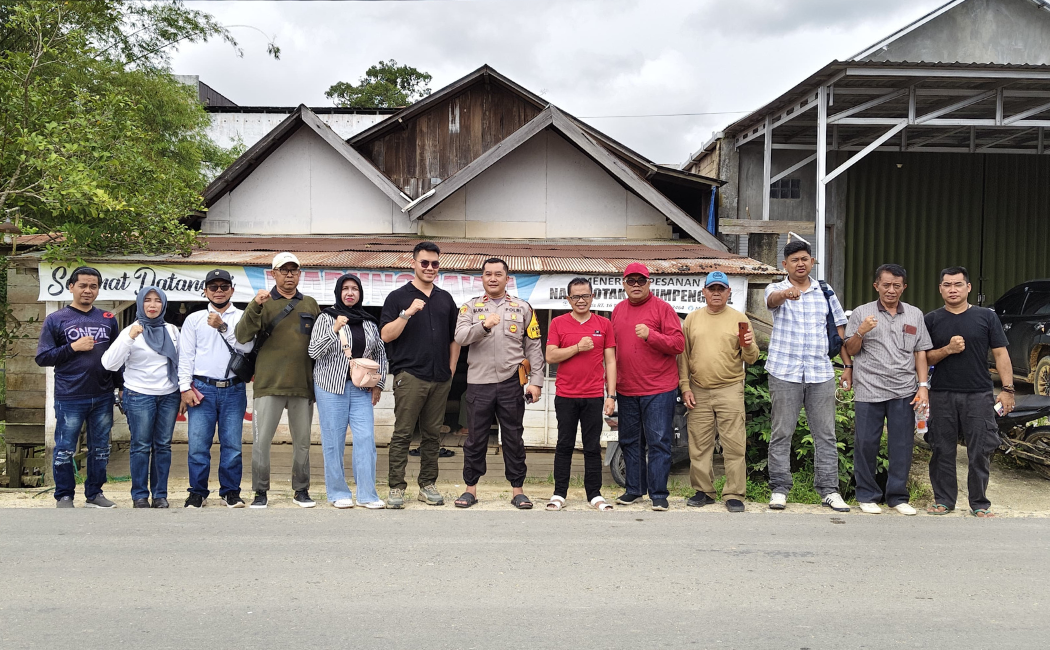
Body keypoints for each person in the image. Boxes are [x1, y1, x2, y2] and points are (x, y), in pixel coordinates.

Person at [764, 241, 852, 512]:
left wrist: (847, 366)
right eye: (794, 260)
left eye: (804, 259)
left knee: (825, 434)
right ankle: (779, 488)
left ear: (812, 261)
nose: (800, 264)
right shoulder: (776, 288)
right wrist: (786, 295)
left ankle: (829, 490)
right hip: (784, 371)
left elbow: (839, 330)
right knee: (782, 432)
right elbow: (771, 301)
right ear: (785, 265)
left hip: (820, 372)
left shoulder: (825, 291)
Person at [453, 258, 545, 509]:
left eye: (498, 274)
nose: (492, 278)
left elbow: (534, 346)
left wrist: (536, 381)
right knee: (475, 439)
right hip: (479, 383)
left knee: (514, 438)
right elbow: (460, 337)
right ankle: (470, 489)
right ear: (481, 278)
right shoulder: (470, 308)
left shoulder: (523, 307)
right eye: (487, 274)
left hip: (510, 383)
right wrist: (483, 325)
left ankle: (518, 490)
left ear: (507, 278)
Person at [924, 266, 1014, 518]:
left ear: (968, 287)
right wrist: (947, 349)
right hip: (941, 393)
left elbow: (1001, 354)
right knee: (941, 448)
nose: (952, 289)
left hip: (978, 394)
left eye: (958, 284)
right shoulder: (932, 319)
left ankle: (979, 503)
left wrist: (1007, 389)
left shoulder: (986, 317)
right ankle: (943, 500)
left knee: (980, 450)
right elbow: (923, 357)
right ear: (940, 288)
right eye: (947, 285)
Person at [843, 264, 932, 515]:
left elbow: (920, 352)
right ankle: (867, 495)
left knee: (902, 445)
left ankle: (897, 497)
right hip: (869, 389)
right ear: (876, 286)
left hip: (904, 390)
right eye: (886, 285)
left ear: (904, 287)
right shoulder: (862, 313)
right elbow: (850, 350)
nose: (891, 290)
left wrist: (922, 387)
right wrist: (860, 331)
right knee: (866, 444)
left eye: (896, 285)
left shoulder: (915, 314)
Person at [235, 253, 321, 509]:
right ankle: (260, 492)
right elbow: (241, 336)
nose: (289, 275)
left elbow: (320, 341)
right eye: (284, 270)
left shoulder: (310, 304)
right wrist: (254, 305)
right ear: (273, 274)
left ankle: (301, 490)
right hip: (268, 384)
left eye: (294, 270)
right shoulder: (263, 302)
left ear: (299, 274)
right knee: (261, 442)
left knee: (303, 443)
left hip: (302, 384)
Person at [379, 241, 460, 508]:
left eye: (434, 263)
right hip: (410, 375)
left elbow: (455, 338)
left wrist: (452, 367)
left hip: (440, 376)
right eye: (424, 262)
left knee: (432, 434)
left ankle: (427, 484)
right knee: (403, 433)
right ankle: (396, 487)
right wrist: (407, 313)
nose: (429, 268)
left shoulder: (445, 298)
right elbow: (386, 335)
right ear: (413, 263)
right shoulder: (397, 297)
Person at [36, 266, 121, 508]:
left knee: (101, 449)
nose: (87, 290)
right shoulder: (56, 319)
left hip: (103, 395)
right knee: (64, 449)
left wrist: (120, 386)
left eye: (93, 286)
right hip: (70, 396)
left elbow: (116, 358)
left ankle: (94, 494)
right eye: (82, 285)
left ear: (98, 289)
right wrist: (73, 347)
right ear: (71, 287)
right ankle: (64, 495)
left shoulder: (108, 319)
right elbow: (43, 358)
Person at [677, 271, 760, 513]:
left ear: (728, 292)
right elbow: (683, 357)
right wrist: (685, 386)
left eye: (720, 289)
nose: (716, 293)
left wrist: (748, 344)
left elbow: (751, 358)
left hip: (730, 389)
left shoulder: (739, 318)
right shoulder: (692, 319)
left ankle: (734, 493)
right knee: (699, 445)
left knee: (734, 444)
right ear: (703, 292)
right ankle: (704, 491)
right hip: (699, 390)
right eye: (711, 289)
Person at [610, 262, 684, 511]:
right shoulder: (618, 310)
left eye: (641, 281)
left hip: (659, 388)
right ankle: (634, 489)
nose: (636, 285)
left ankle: (659, 493)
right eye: (631, 281)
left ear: (649, 283)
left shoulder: (663, 309)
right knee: (630, 441)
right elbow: (612, 352)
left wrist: (651, 335)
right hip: (627, 387)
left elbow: (678, 344)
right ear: (624, 284)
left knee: (659, 441)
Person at [177, 270, 254, 509]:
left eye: (223, 286)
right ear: (205, 290)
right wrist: (184, 387)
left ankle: (230, 491)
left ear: (232, 289)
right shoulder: (194, 318)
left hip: (233, 388)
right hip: (202, 388)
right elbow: (186, 356)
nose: (218, 291)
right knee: (198, 445)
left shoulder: (243, 316)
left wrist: (222, 327)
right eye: (213, 287)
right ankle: (197, 492)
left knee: (232, 444)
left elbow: (248, 347)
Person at [309, 274, 387, 509]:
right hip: (331, 387)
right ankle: (337, 493)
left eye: (355, 289)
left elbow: (380, 355)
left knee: (365, 439)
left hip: (362, 388)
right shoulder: (326, 318)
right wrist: (334, 328)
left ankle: (367, 495)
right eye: (345, 289)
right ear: (338, 292)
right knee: (333, 441)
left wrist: (379, 384)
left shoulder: (369, 322)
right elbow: (313, 351)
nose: (350, 293)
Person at [101, 287, 180, 509]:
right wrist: (129, 337)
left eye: (157, 301)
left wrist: (184, 390)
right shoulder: (131, 331)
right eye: (147, 300)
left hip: (168, 395)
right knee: (141, 445)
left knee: (163, 445)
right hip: (139, 395)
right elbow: (109, 364)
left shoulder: (172, 331)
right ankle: (139, 495)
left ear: (164, 304)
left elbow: (182, 363)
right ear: (140, 304)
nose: (153, 305)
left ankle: (160, 495)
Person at [544, 278, 617, 511]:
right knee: (564, 444)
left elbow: (611, 361)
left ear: (592, 297)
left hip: (594, 394)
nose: (581, 300)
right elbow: (550, 356)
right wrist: (577, 347)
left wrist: (611, 395)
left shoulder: (604, 324)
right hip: (566, 394)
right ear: (568, 299)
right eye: (575, 296)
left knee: (592, 446)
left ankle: (594, 494)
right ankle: (559, 493)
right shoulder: (558, 323)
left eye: (585, 295)